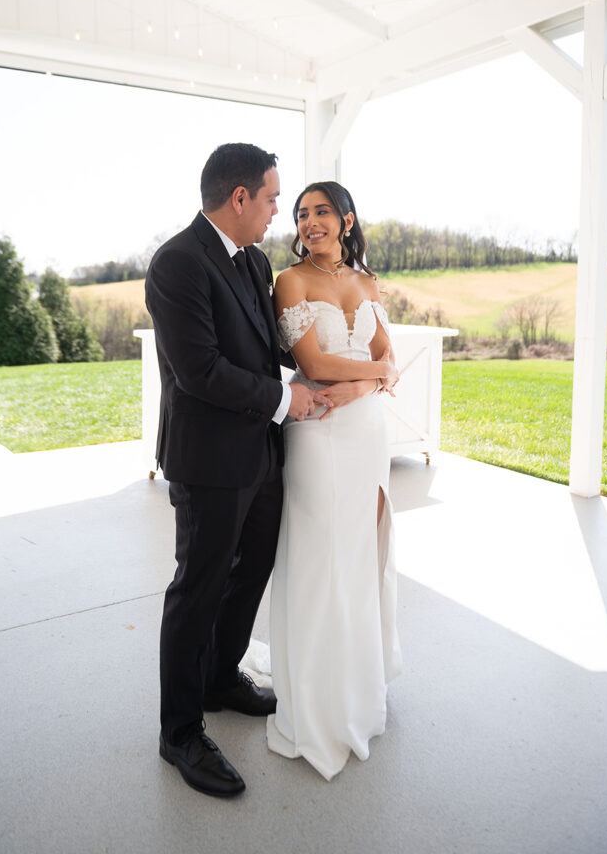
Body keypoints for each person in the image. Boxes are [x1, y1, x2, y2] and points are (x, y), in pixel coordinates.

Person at [145, 143, 322, 799]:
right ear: (239, 197)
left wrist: (337, 345)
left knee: (252, 571)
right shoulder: (176, 263)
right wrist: (284, 399)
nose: (279, 211)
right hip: (209, 461)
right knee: (198, 589)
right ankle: (180, 732)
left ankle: (221, 677)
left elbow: (270, 344)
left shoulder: (254, 260)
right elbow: (200, 371)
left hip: (261, 456)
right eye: (273, 198)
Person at [266, 181, 403, 780]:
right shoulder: (291, 281)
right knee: (321, 555)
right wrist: (376, 374)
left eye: (321, 211)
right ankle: (317, 699)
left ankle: (358, 683)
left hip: (366, 433)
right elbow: (314, 364)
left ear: (346, 219)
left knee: (360, 552)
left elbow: (389, 356)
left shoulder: (368, 283)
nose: (309, 222)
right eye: (301, 214)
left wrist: (367, 384)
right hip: (318, 431)